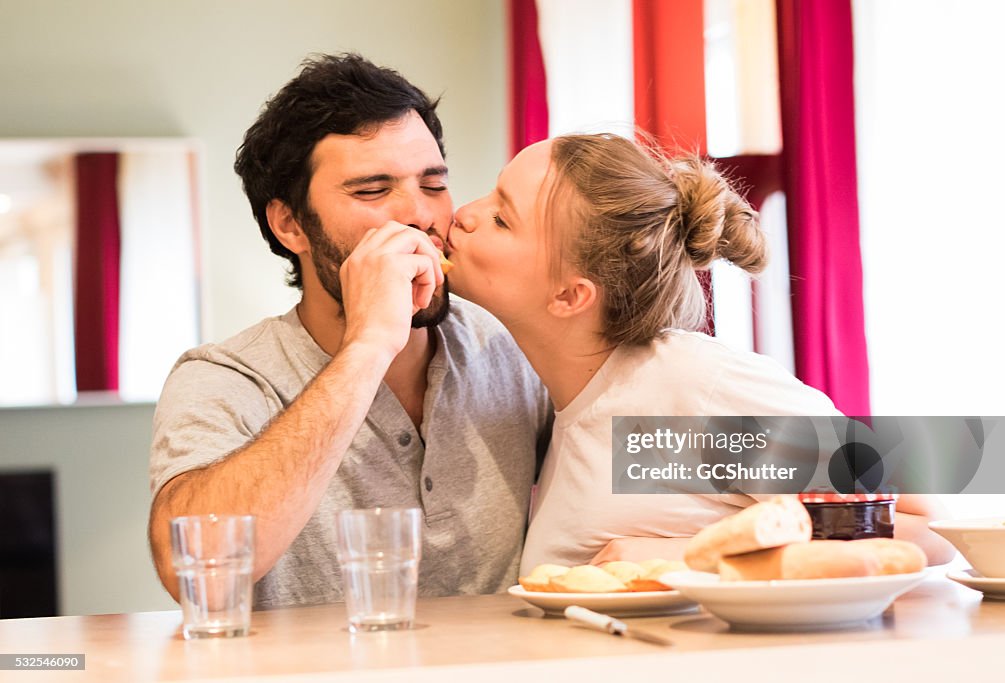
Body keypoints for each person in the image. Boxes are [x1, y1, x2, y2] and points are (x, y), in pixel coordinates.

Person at [148, 53, 550, 609]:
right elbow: (193, 570)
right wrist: (368, 346)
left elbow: (672, 454)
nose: (419, 215)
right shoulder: (225, 378)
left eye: (433, 184)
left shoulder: (505, 343)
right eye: (371, 191)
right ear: (290, 224)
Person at [444, 133, 954, 570]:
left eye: (501, 219)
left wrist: (687, 556)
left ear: (570, 296)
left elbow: (927, 528)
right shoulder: (566, 400)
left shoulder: (686, 389)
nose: (464, 213)